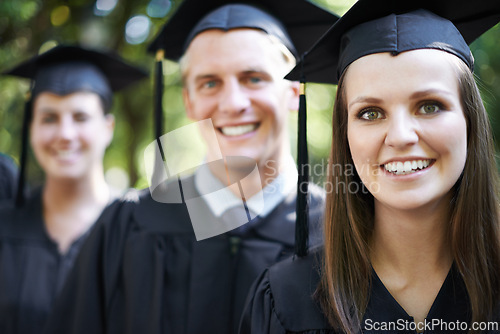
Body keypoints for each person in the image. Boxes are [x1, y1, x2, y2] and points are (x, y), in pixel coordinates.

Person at [43, 1, 338, 334]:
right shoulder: (128, 226)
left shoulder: (340, 232)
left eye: (254, 78)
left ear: (293, 92)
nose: (232, 103)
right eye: (209, 83)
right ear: (188, 100)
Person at [240, 0, 500, 333]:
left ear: (470, 122)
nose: (401, 136)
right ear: (344, 134)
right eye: (370, 113)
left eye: (430, 106)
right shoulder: (286, 300)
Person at [0, 45, 147, 334]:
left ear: (108, 128)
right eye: (49, 118)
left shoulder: (140, 233)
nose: (65, 134)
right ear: (31, 129)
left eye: (80, 117)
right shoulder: (4, 228)